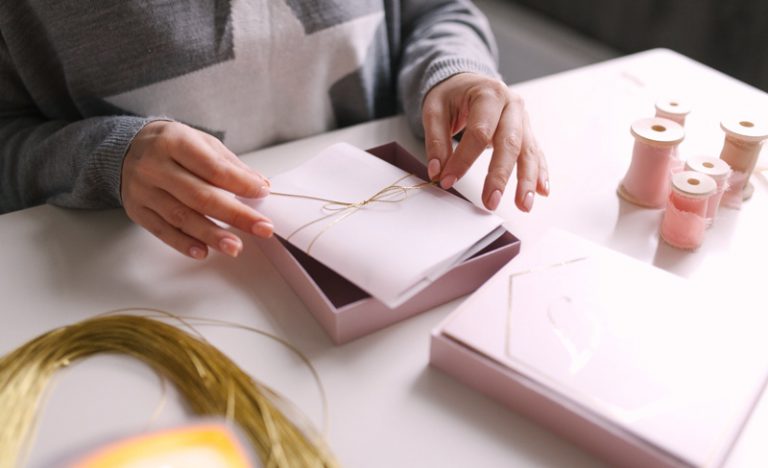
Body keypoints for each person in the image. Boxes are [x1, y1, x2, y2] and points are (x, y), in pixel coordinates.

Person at [0, 0, 548, 260]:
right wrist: (106, 158)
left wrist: (455, 71)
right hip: (148, 276)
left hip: (399, 247)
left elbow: (437, 13)